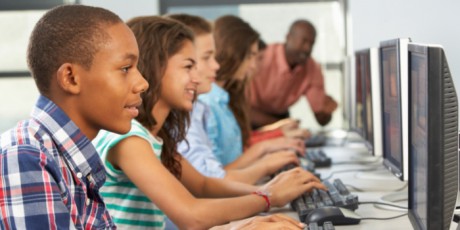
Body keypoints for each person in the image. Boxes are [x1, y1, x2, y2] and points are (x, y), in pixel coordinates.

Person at [93, 16, 325, 229]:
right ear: (156, 67)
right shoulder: (129, 138)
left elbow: (204, 185)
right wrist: (267, 199)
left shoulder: (154, 137)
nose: (197, 76)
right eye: (188, 66)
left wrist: (265, 191)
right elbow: (191, 215)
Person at [0, 5, 149, 229]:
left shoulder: (70, 160)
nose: (142, 83)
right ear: (70, 78)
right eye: (126, 68)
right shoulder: (27, 156)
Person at [170, 14, 305, 184]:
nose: (255, 65)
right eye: (252, 56)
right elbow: (211, 181)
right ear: (235, 53)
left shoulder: (207, 104)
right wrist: (266, 168)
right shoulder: (206, 102)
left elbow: (211, 177)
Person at [248, 19, 338, 129]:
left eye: (311, 43)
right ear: (288, 37)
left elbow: (322, 120)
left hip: (280, 117)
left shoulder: (312, 68)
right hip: (250, 115)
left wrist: (327, 111)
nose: (307, 48)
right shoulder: (261, 57)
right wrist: (283, 125)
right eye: (304, 41)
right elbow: (242, 109)